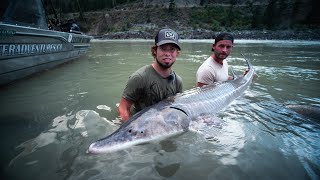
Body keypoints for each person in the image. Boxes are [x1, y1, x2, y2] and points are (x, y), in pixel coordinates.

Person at [118, 28, 183, 122]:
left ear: (177, 53)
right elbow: (123, 108)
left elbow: (176, 108)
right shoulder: (140, 77)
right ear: (155, 50)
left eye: (172, 49)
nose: (168, 54)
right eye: (163, 48)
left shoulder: (178, 81)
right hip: (141, 126)